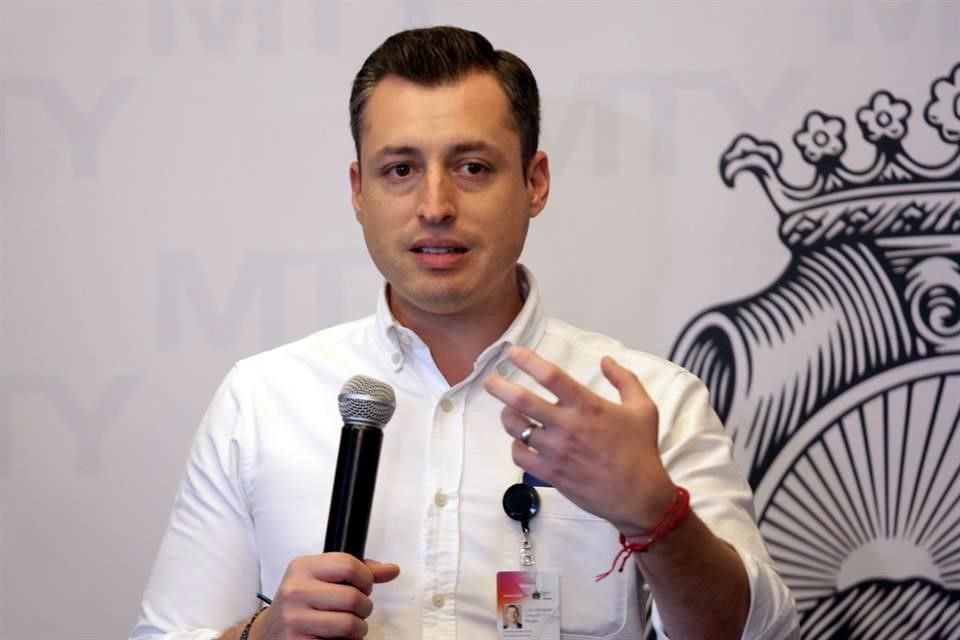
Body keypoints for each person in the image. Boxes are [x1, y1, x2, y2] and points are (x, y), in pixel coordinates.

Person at [132, 26, 798, 640]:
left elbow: (761, 634)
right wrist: (262, 634)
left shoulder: (646, 403)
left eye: (472, 167)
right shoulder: (261, 399)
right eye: (400, 169)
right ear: (359, 191)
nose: (435, 206)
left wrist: (657, 517)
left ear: (535, 183)